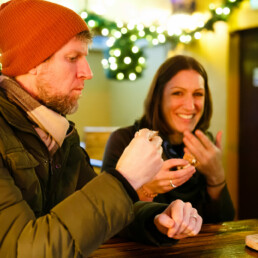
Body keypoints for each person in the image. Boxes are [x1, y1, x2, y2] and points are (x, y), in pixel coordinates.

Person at [0, 1, 202, 257]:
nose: (87, 72)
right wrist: (124, 179)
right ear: (31, 63)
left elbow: (93, 216)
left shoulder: (59, 134)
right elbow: (26, 250)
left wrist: (157, 218)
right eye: (72, 58)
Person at [102, 55, 235, 223]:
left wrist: (216, 175)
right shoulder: (125, 141)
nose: (190, 105)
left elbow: (224, 220)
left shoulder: (202, 145)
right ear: (159, 97)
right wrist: (147, 188)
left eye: (198, 94)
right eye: (178, 93)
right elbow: (109, 219)